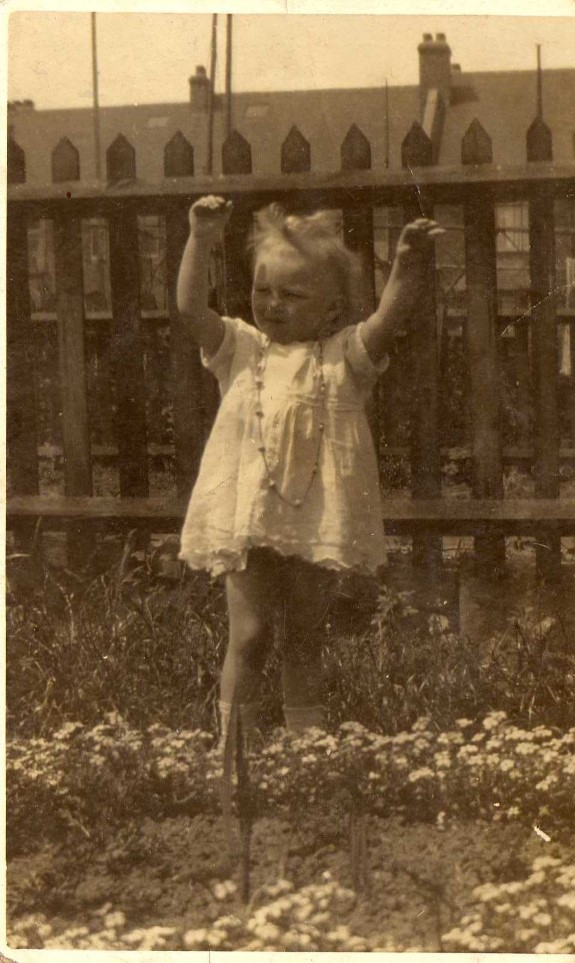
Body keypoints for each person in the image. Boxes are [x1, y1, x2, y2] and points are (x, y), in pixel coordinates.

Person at [177, 197, 443, 750]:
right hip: (248, 516)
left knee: (303, 635)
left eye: (292, 294)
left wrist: (404, 266)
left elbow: (387, 320)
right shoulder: (241, 349)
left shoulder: (343, 357)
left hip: (317, 519)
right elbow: (188, 308)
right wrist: (201, 238)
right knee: (248, 636)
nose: (272, 304)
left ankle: (307, 753)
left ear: (331, 309)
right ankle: (233, 754)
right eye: (263, 289)